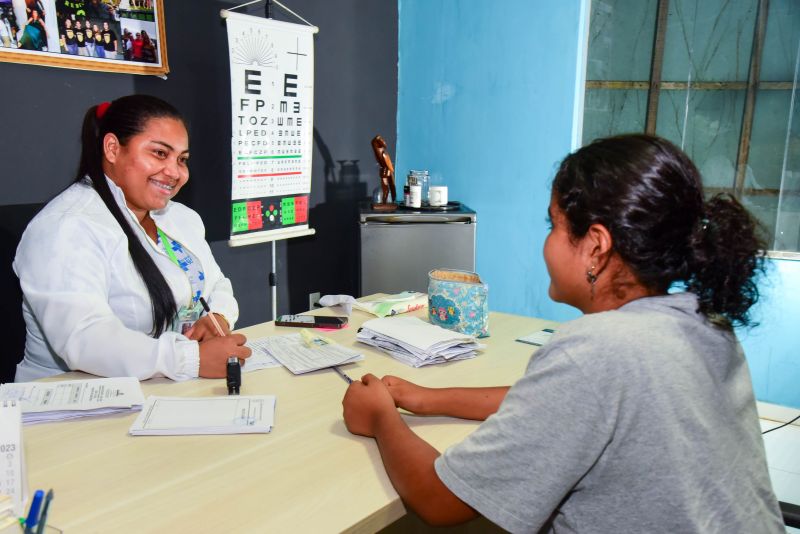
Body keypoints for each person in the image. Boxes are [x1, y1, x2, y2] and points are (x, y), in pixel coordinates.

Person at [342, 134, 784, 532]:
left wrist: (382, 417)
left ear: (595, 246)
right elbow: (558, 402)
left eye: (553, 225)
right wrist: (426, 398)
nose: (548, 242)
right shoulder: (702, 322)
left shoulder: (597, 351)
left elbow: (442, 503)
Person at [14, 95, 251, 382]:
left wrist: (219, 318)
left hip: (161, 388)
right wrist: (191, 359)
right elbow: (85, 338)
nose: (175, 172)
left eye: (182, 159)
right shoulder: (65, 227)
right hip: (70, 404)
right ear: (112, 148)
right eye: (160, 153)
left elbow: (216, 285)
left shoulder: (182, 219)